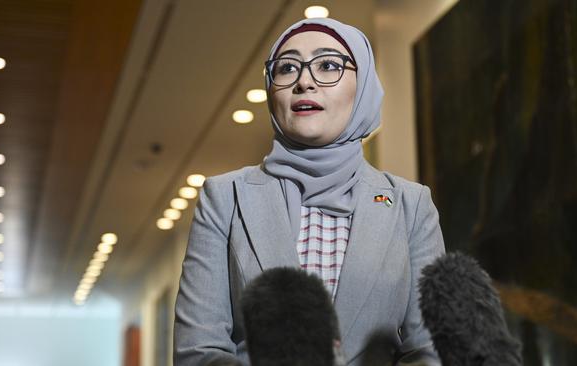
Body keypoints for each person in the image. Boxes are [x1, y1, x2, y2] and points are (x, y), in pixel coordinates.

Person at [174, 17, 445, 366]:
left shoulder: (412, 204)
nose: (304, 81)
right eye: (286, 68)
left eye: (328, 65)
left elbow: (429, 351)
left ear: (363, 86)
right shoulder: (224, 197)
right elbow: (199, 352)